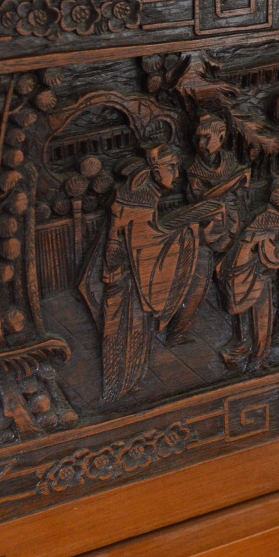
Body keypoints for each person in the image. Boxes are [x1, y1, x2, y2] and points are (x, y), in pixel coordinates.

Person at [79, 143, 201, 401]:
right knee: (123, 327)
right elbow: (142, 240)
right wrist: (183, 233)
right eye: (172, 167)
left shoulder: (145, 194)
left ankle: (129, 379)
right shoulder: (137, 196)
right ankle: (116, 385)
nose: (177, 174)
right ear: (156, 172)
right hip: (125, 274)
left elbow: (146, 235)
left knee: (138, 326)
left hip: (134, 272)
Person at [221, 181, 279, 371]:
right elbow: (274, 256)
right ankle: (258, 359)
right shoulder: (272, 219)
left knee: (249, 315)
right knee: (262, 315)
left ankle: (246, 352)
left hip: (243, 270)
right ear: (276, 199)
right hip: (249, 273)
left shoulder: (267, 215)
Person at [182, 113, 250, 350]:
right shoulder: (193, 167)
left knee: (236, 277)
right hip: (208, 229)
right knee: (202, 279)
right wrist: (233, 182)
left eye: (206, 138)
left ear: (221, 137)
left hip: (235, 223)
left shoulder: (229, 160)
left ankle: (242, 334)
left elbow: (243, 189)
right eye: (198, 138)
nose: (201, 144)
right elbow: (202, 197)